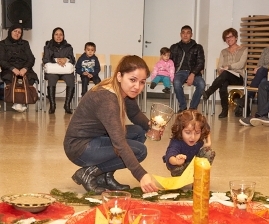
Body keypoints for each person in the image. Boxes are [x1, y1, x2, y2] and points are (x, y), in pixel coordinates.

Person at [64, 55, 160, 195]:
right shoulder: (107, 99)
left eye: (142, 82)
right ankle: (88, 173)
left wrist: (151, 126)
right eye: (133, 80)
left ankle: (105, 176)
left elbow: (134, 114)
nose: (137, 87)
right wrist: (141, 174)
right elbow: (119, 142)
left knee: (139, 132)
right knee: (139, 151)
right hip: (79, 147)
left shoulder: (122, 89)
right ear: (120, 76)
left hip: (95, 139)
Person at [235, 29, 269, 116]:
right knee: (262, 80)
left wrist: (264, 68)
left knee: (262, 72)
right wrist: (257, 69)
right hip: (265, 74)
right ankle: (262, 114)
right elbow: (260, 64)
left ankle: (247, 97)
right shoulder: (266, 50)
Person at [202, 28, 248, 118]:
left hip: (238, 77)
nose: (228, 39)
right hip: (225, 76)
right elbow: (219, 66)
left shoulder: (243, 49)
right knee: (223, 84)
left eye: (230, 36)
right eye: (226, 38)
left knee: (226, 74)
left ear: (236, 37)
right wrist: (220, 69)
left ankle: (209, 91)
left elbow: (241, 64)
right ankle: (224, 110)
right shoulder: (223, 52)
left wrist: (228, 67)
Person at [163, 109, 215, 177]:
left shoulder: (199, 135)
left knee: (209, 152)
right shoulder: (176, 142)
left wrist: (209, 142)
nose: (193, 137)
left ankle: (199, 177)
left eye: (197, 133)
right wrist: (176, 161)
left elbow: (207, 129)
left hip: (193, 163)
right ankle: (180, 178)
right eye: (188, 132)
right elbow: (169, 157)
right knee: (177, 169)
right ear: (180, 130)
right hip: (180, 165)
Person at [0, 24, 38, 112]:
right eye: (15, 31)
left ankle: (22, 101)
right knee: (10, 78)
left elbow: (31, 59)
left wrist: (25, 68)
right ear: (10, 32)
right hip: (9, 69)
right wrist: (12, 68)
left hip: (24, 69)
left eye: (19, 32)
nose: (17, 34)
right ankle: (18, 102)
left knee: (30, 78)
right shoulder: (2, 44)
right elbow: (1, 60)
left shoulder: (25, 43)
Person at [170, 25, 205, 113]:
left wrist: (192, 74)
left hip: (194, 72)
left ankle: (193, 108)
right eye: (183, 33)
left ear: (191, 35)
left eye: (188, 33)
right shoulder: (174, 47)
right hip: (179, 72)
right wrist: (171, 74)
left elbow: (201, 63)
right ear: (180, 34)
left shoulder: (198, 47)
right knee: (176, 82)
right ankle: (183, 107)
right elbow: (170, 62)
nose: (185, 35)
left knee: (201, 84)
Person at [42, 27, 75, 114]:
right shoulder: (47, 47)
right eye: (56, 34)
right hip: (53, 71)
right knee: (52, 80)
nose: (58, 36)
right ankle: (52, 105)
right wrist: (56, 60)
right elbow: (45, 59)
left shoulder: (68, 47)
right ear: (53, 36)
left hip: (65, 71)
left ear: (63, 36)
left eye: (61, 34)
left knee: (71, 80)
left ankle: (67, 105)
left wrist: (66, 59)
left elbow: (72, 59)